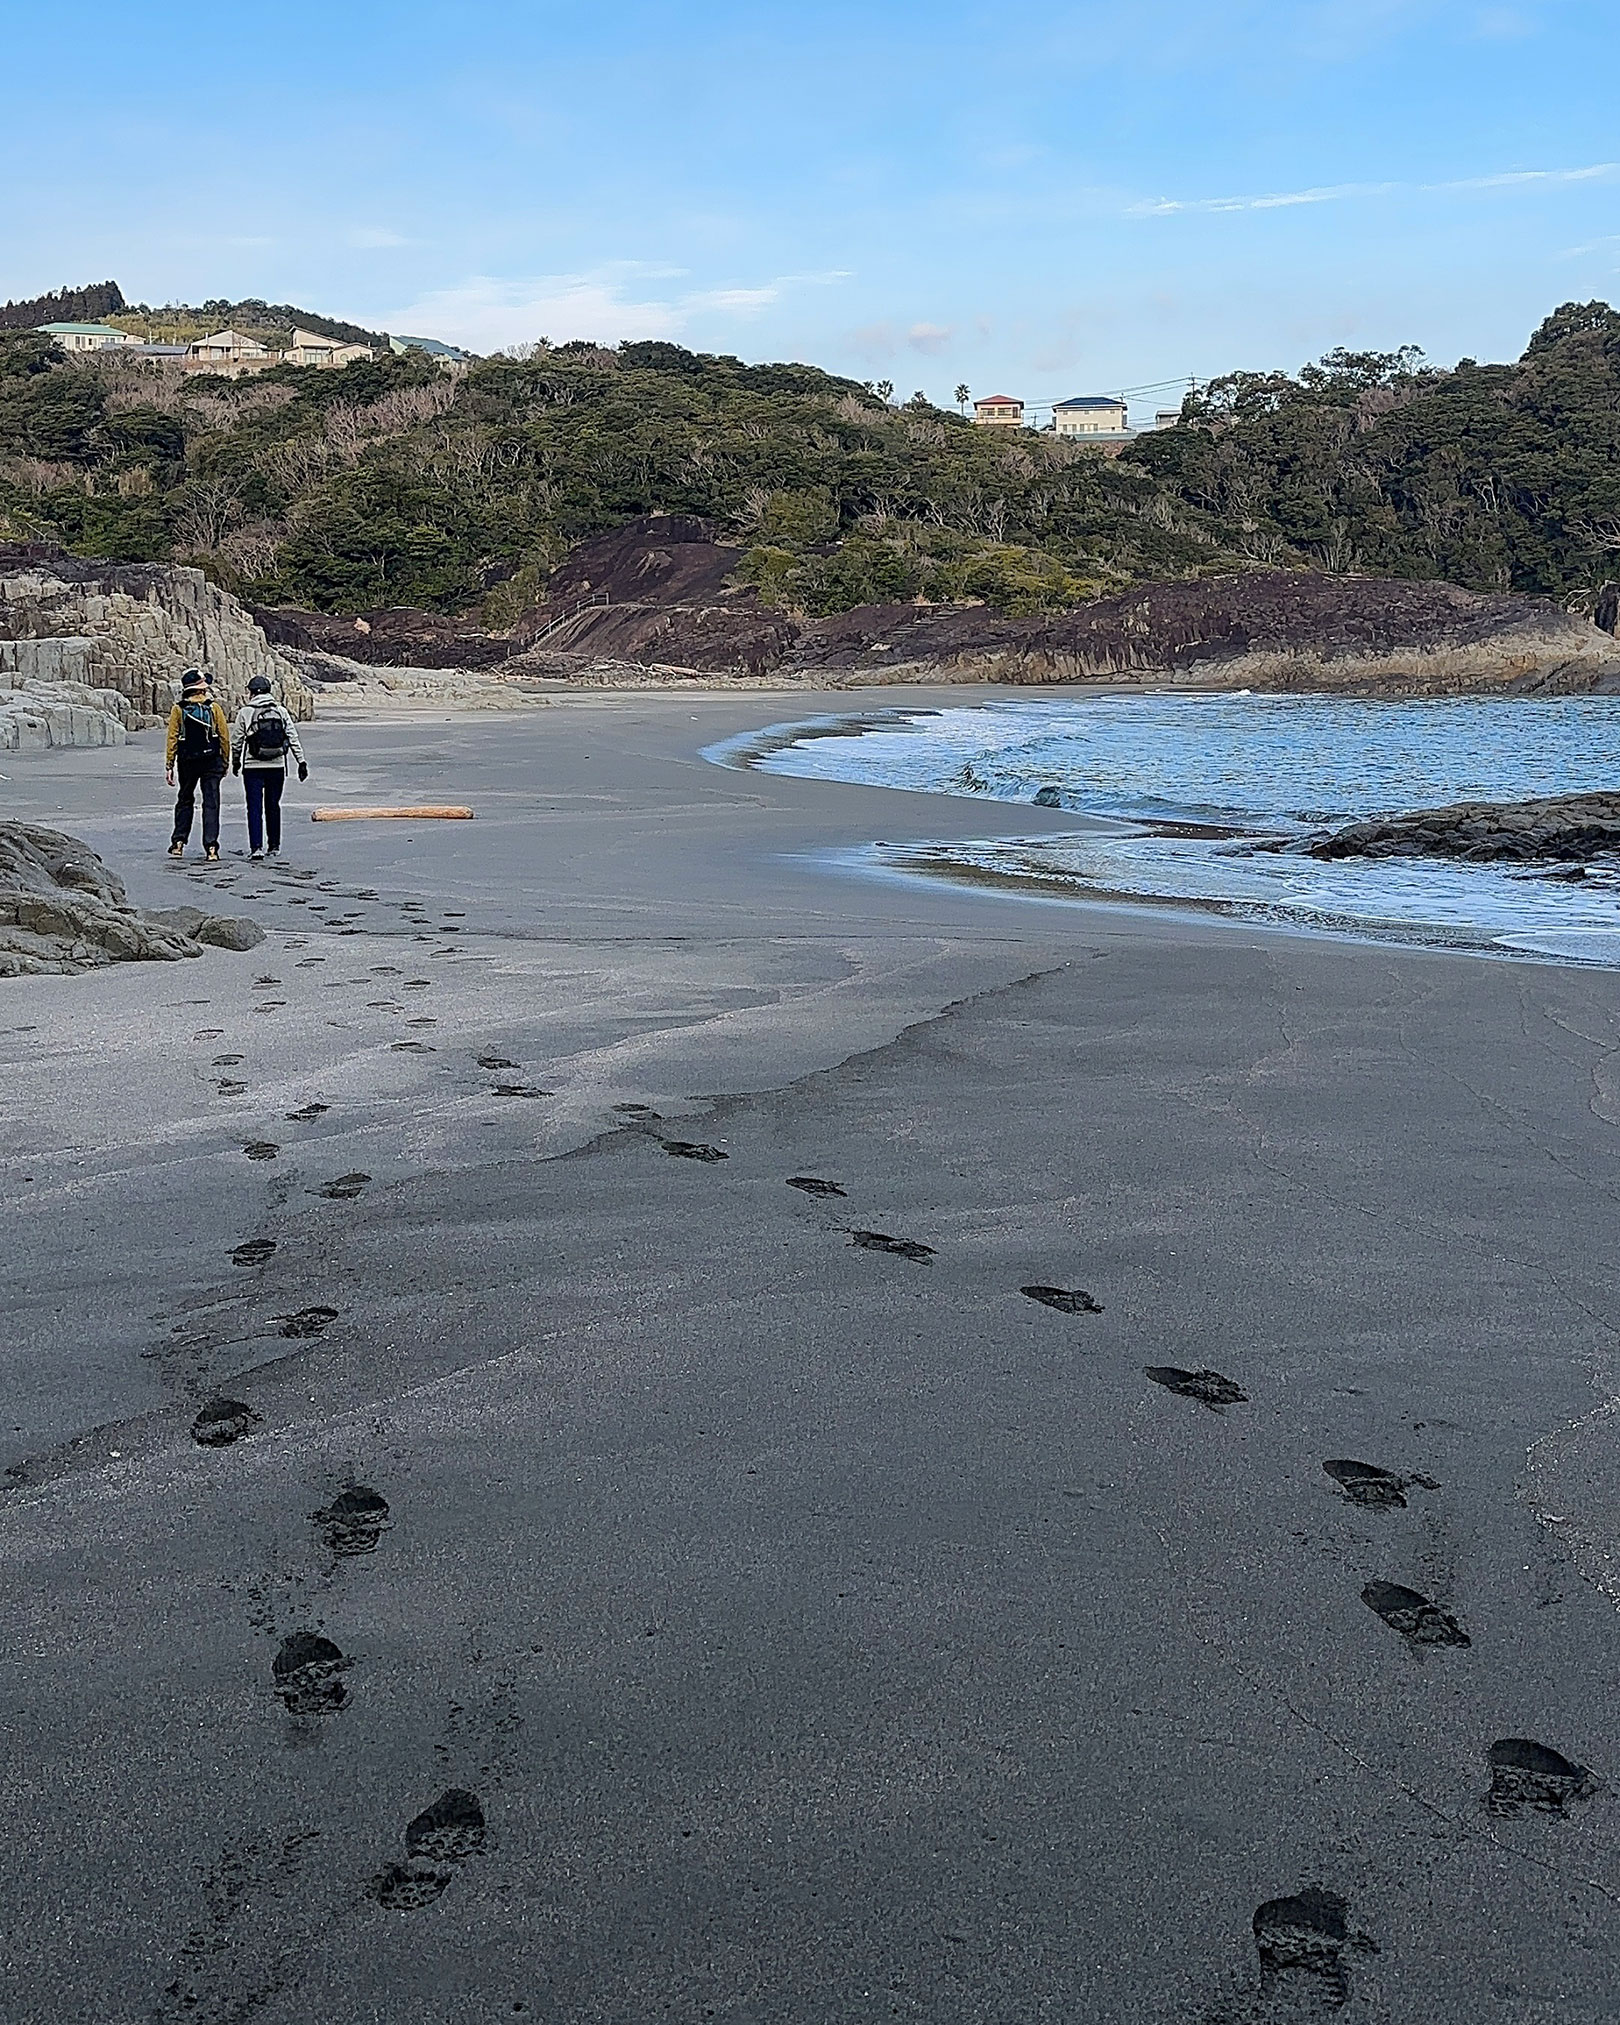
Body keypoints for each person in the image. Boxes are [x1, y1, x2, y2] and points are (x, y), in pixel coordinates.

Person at [231, 674, 307, 861]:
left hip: (252, 767)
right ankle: (274, 845)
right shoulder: (280, 711)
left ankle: (256, 847)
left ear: (251, 692)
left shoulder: (245, 712)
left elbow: (237, 741)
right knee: (273, 805)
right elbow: (292, 737)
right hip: (277, 765)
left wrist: (235, 762)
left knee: (254, 807)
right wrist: (301, 762)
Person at [166, 670, 231, 862]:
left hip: (187, 761)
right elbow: (224, 737)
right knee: (211, 802)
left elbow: (172, 738)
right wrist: (225, 761)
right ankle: (211, 847)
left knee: (185, 799)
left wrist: (169, 764)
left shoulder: (178, 709)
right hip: (212, 761)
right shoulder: (214, 708)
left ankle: (178, 843)